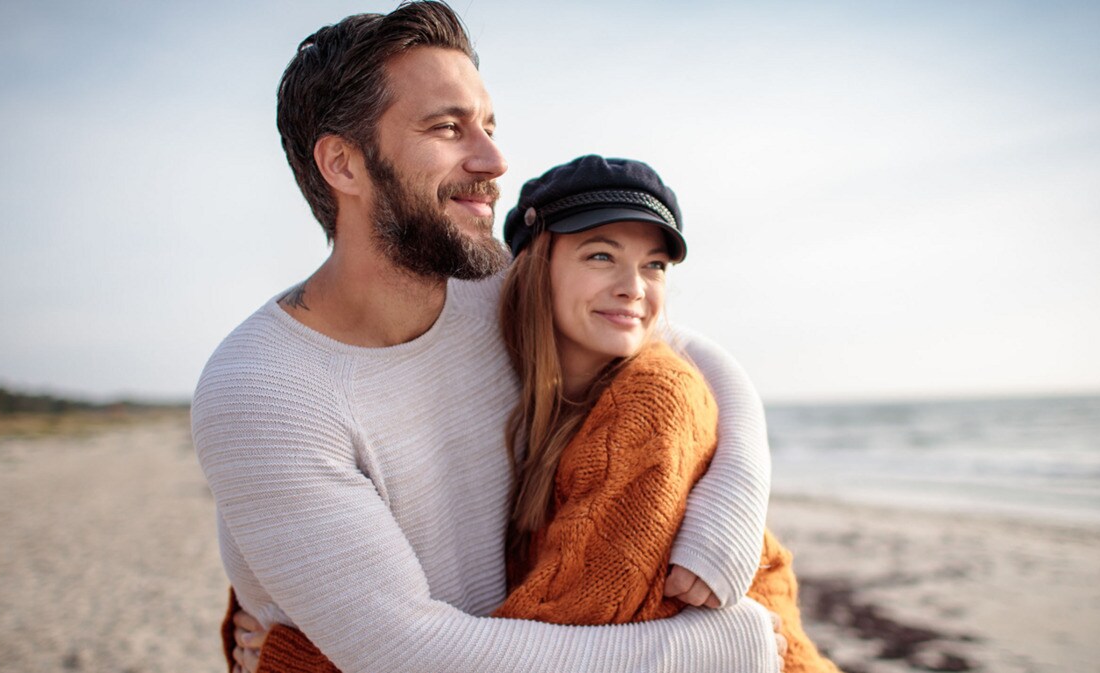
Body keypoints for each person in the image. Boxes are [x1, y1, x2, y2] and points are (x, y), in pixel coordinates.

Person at [192, 3, 782, 673]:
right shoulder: (264, 392)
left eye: (489, 126)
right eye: (448, 127)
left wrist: (734, 496)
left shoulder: (488, 286)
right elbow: (409, 652)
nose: (494, 160)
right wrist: (712, 650)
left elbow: (689, 350)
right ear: (344, 164)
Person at [229, 156, 838, 673]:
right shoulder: (536, 379)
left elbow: (562, 638)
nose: (634, 286)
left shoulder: (651, 402)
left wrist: (308, 660)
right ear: (532, 268)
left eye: (655, 265)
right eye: (601, 255)